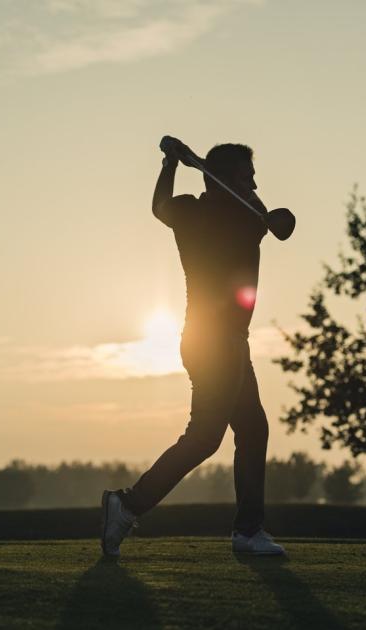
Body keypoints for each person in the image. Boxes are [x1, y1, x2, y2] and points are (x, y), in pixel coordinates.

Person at [101, 136, 291, 557]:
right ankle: (129, 504)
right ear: (222, 180)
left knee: (251, 429)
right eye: (247, 177)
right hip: (215, 343)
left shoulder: (235, 214)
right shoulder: (221, 216)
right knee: (206, 436)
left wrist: (173, 165)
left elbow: (282, 223)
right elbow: (160, 207)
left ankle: (247, 531)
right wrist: (172, 163)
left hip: (223, 342)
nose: (255, 186)